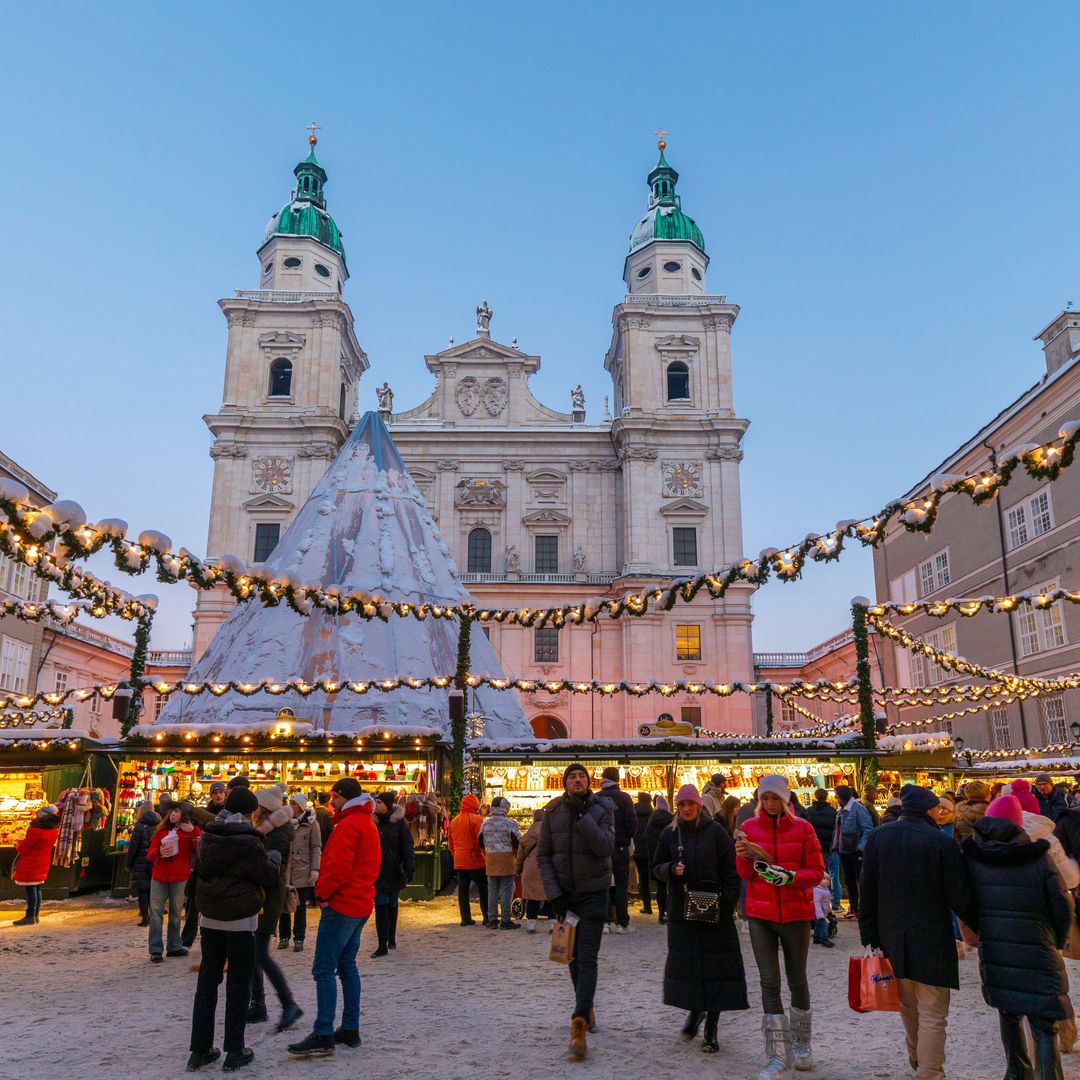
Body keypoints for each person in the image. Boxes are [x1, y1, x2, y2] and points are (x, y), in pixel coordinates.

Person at [858, 784, 976, 1080]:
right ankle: (929, 1071)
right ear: (928, 810)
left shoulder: (878, 837)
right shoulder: (940, 842)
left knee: (908, 1005)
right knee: (934, 1011)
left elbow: (867, 890)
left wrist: (869, 935)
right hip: (932, 936)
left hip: (892, 935)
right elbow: (958, 895)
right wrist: (977, 926)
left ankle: (917, 1058)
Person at [962, 795, 1073, 1080]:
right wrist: (1057, 940)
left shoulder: (973, 858)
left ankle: (1017, 1072)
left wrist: (984, 932)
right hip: (1038, 948)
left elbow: (966, 904)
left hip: (997, 953)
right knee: (1044, 1025)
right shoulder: (1038, 857)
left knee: (1009, 1016)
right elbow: (1062, 906)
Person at [187, 784, 280, 1074]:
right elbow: (266, 875)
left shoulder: (209, 835)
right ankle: (234, 1049)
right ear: (251, 812)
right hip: (240, 920)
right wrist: (274, 858)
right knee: (239, 984)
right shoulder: (250, 841)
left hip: (210, 917)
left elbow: (200, 867)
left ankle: (200, 1050)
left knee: (207, 983)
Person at [735, 774, 824, 1078]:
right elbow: (745, 875)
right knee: (769, 981)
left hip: (796, 914)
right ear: (760, 800)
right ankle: (776, 1054)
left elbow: (816, 872)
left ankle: (802, 1045)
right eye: (766, 798)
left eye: (776, 798)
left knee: (797, 978)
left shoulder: (803, 828)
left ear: (785, 800)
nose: (771, 804)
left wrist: (791, 878)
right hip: (760, 914)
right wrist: (744, 856)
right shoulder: (749, 828)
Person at [287, 777, 380, 1059]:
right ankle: (350, 1028)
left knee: (324, 969)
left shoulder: (348, 825)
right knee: (347, 966)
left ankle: (324, 1031)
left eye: (335, 798)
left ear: (344, 798)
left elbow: (337, 867)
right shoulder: (367, 822)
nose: (332, 803)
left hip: (342, 904)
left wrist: (322, 893)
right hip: (361, 902)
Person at [652, 784, 748, 1053]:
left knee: (715, 969)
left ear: (699, 805)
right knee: (689, 966)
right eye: (681, 805)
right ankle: (695, 1012)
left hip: (715, 910)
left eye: (690, 804)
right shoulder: (670, 834)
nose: (686, 809)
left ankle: (711, 1029)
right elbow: (656, 868)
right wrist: (671, 869)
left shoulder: (716, 832)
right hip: (682, 910)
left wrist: (727, 901)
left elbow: (731, 871)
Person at [537, 762, 615, 1061]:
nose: (578, 779)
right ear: (565, 782)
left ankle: (579, 1022)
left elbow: (605, 847)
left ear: (588, 781)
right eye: (573, 776)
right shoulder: (553, 811)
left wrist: (583, 817)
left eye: (582, 775)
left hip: (594, 894)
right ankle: (587, 1005)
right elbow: (544, 855)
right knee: (570, 957)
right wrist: (554, 895)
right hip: (565, 898)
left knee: (587, 957)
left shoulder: (601, 810)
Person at [247, 786, 301, 1032]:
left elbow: (272, 870)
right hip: (261, 895)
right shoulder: (267, 830)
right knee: (253, 953)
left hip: (269, 898)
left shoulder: (277, 834)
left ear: (263, 809)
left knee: (259, 953)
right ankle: (258, 1004)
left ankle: (288, 1003)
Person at [147, 802, 201, 962]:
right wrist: (159, 852)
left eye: (176, 811)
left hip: (179, 877)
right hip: (159, 876)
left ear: (183, 814)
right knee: (156, 913)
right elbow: (150, 853)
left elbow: (200, 848)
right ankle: (156, 950)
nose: (172, 814)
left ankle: (174, 946)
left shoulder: (189, 832)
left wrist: (193, 831)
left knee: (176, 913)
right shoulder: (162, 831)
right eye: (171, 811)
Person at [371, 790, 415, 955]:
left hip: (395, 870)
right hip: (378, 871)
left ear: (388, 805)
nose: (376, 805)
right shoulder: (372, 822)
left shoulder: (400, 823)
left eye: (379, 802)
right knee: (381, 905)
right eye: (375, 802)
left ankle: (392, 938)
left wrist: (410, 866)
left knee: (392, 904)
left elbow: (407, 845)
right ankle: (382, 945)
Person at [278, 792, 322, 951]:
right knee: (283, 905)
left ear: (301, 807)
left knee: (300, 906)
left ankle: (299, 938)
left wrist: (315, 870)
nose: (292, 806)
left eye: (295, 804)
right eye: (291, 803)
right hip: (285, 869)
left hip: (302, 868)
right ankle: (284, 936)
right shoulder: (283, 823)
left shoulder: (311, 824)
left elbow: (315, 848)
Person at [598, 766, 637, 933]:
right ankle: (622, 922)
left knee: (603, 884)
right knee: (621, 884)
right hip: (620, 846)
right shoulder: (624, 798)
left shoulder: (596, 798)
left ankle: (605, 922)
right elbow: (632, 824)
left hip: (601, 848)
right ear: (617, 779)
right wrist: (627, 837)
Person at [11, 804, 61, 926]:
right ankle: (35, 915)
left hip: (31, 863)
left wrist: (18, 845)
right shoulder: (53, 830)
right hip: (42, 863)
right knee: (37, 888)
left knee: (30, 889)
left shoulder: (35, 830)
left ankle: (30, 916)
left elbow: (24, 848)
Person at [479, 795, 521, 929]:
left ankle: (492, 919)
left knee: (492, 889)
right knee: (507, 888)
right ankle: (505, 920)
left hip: (490, 857)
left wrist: (487, 850)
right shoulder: (509, 823)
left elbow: (480, 840)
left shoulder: (485, 822)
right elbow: (517, 841)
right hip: (506, 857)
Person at [832, 784, 873, 919]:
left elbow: (867, 829)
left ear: (841, 797)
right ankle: (854, 908)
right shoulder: (842, 810)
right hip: (844, 851)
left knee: (860, 881)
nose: (835, 798)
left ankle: (864, 908)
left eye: (836, 796)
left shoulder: (857, 809)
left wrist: (860, 848)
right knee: (849, 881)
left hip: (855, 852)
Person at [448, 792, 488, 926]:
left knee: (463, 890)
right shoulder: (476, 820)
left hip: (459, 861)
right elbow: (481, 842)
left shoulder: (454, 820)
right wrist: (485, 857)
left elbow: (450, 844)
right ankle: (487, 917)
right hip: (474, 860)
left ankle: (465, 918)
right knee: (483, 887)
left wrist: (455, 855)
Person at [803, 788, 840, 911]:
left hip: (816, 848)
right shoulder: (832, 811)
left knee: (817, 875)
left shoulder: (809, 811)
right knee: (834, 875)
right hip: (830, 847)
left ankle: (819, 902)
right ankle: (835, 902)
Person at [125, 803, 160, 927]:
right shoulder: (159, 824)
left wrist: (129, 864)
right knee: (152, 890)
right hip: (155, 861)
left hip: (141, 862)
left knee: (142, 891)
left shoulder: (139, 826)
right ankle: (154, 914)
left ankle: (145, 917)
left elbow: (133, 847)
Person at [515, 808, 548, 932]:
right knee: (549, 896)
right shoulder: (549, 833)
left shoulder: (527, 834)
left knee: (532, 898)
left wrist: (517, 870)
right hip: (546, 869)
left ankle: (531, 924)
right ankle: (552, 924)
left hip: (530, 870)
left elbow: (520, 856)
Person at [645, 795, 674, 924]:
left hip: (656, 858)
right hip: (670, 858)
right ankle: (671, 912)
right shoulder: (672, 820)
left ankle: (661, 914)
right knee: (672, 886)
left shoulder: (651, 822)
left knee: (660, 887)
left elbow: (647, 840)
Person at [632, 791, 654, 913]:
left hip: (638, 850)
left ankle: (647, 906)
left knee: (643, 878)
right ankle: (663, 907)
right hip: (651, 849)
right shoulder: (653, 813)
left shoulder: (634, 812)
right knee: (657, 879)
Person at [811, 872, 834, 948]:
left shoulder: (825, 889)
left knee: (818, 925)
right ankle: (824, 938)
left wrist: (829, 911)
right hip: (819, 913)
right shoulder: (817, 890)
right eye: (824, 879)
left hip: (823, 913)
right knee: (824, 925)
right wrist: (820, 915)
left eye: (828, 879)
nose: (827, 881)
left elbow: (827, 903)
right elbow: (816, 903)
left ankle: (816, 938)